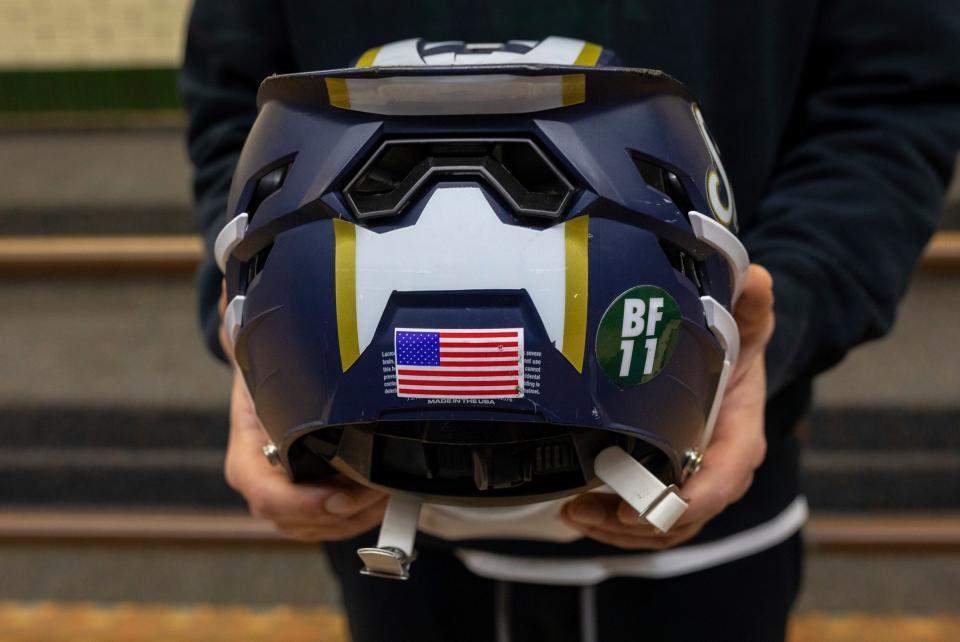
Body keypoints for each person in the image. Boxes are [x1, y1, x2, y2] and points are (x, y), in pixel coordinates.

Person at [181, 3, 960, 641]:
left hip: (710, 502)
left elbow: (890, 99)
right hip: (384, 505)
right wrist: (260, 319)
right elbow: (237, 105)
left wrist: (787, 305)